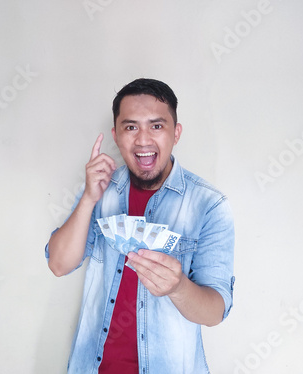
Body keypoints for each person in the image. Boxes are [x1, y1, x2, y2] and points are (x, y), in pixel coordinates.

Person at [45, 78, 235, 374]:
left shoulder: (209, 205)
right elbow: (59, 264)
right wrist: (88, 199)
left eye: (156, 126)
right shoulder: (100, 189)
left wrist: (178, 287)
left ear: (176, 133)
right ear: (116, 135)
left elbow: (215, 311)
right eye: (131, 127)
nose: (143, 140)